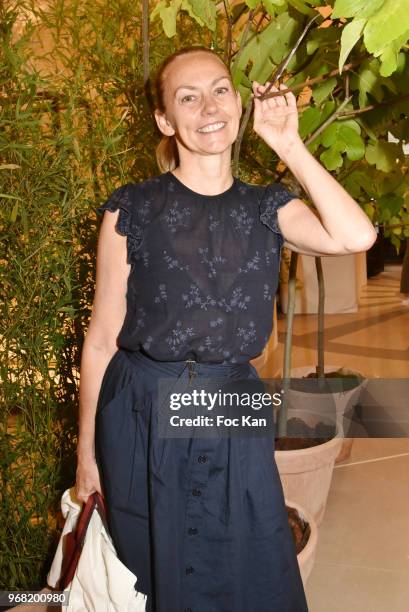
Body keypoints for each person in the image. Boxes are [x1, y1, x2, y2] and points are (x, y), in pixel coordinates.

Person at [75, 46, 376, 612]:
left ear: (239, 103)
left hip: (228, 395)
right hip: (141, 403)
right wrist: (85, 451)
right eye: (187, 98)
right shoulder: (133, 208)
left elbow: (355, 237)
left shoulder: (267, 208)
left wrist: (289, 144)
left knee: (245, 554)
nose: (208, 107)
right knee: (151, 564)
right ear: (166, 119)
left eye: (219, 89)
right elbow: (101, 337)